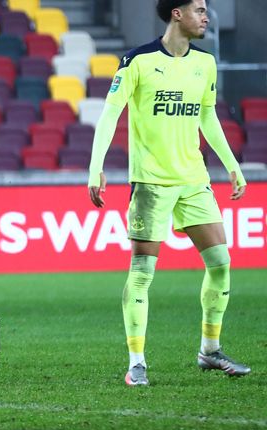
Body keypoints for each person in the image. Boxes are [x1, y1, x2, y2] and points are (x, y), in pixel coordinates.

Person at [87, 0, 250, 386]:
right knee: (142, 273)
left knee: (221, 263)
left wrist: (231, 164)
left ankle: (210, 351)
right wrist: (96, 168)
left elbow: (207, 115)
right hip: (151, 182)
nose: (207, 17)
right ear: (177, 13)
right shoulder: (137, 61)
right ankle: (137, 362)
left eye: (206, 10)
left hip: (194, 179)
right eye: (199, 9)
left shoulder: (205, 63)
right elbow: (110, 114)